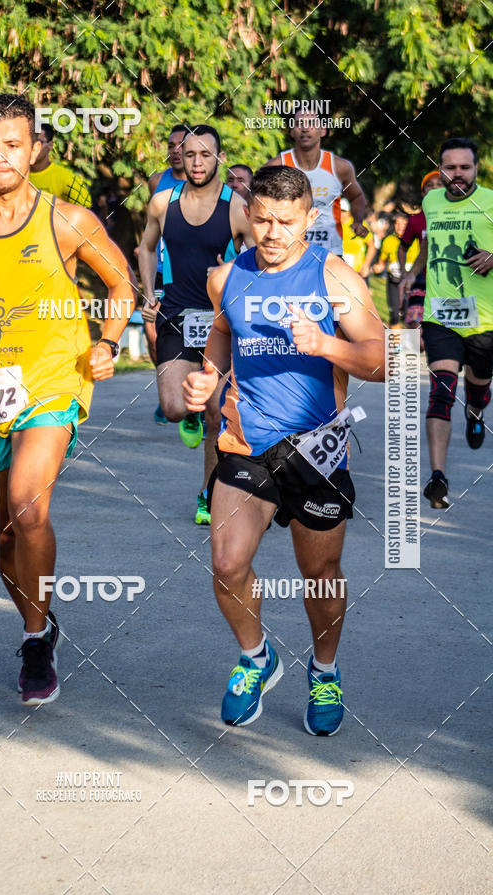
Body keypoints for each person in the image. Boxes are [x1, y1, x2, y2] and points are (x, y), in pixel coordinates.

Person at [0, 94, 135, 705]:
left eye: (12, 144)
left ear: (34, 148)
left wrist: (109, 341)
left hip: (52, 378)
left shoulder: (67, 219)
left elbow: (121, 283)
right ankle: (40, 621)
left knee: (27, 506)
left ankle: (35, 641)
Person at [183, 166, 385, 733]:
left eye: (286, 222)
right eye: (263, 220)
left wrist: (326, 346)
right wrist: (208, 377)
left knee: (320, 573)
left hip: (318, 449)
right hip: (247, 442)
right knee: (227, 563)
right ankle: (256, 658)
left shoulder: (333, 276)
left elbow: (382, 360)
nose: (273, 233)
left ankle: (325, 671)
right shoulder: (227, 278)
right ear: (248, 215)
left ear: (310, 218)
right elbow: (222, 333)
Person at [139, 124, 253, 525]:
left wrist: (233, 273)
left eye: (205, 154)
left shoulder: (237, 207)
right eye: (190, 155)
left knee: (216, 415)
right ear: (180, 158)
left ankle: (208, 494)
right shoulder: (162, 203)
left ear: (219, 158)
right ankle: (190, 410)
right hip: (175, 315)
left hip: (221, 323)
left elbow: (261, 260)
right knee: (173, 408)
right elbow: (146, 248)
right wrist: (149, 293)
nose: (197, 162)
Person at [406, 138, 493, 509]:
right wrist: (412, 274)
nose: (457, 174)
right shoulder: (431, 202)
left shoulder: (490, 201)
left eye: (464, 167)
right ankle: (437, 476)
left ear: (476, 169)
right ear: (440, 169)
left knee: (478, 383)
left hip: (485, 320)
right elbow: (429, 246)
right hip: (440, 315)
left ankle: (476, 410)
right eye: (450, 167)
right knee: (441, 391)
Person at [264, 109, 369, 256]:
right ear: (292, 131)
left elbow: (357, 196)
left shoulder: (339, 167)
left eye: (311, 123)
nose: (305, 129)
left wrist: (358, 221)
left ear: (323, 130)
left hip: (329, 253)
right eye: (299, 123)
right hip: (288, 253)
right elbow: (257, 201)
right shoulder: (276, 166)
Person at [145, 124, 188, 425]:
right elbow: (151, 229)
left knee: (197, 335)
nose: (175, 151)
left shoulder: (207, 183)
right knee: (153, 333)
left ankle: (194, 395)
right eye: (171, 145)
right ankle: (167, 388)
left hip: (190, 272)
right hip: (161, 270)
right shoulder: (157, 181)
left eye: (181, 145)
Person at [0, 123, 93, 207]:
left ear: (50, 145)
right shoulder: (3, 176)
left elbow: (86, 216)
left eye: (39, 142)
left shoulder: (68, 180)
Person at [398, 170, 442, 330]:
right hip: (421, 277)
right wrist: (405, 273)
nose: (434, 187)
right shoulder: (416, 220)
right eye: (430, 185)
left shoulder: (456, 215)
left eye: (439, 184)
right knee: (413, 324)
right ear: (423, 193)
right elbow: (402, 248)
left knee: (439, 328)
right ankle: (411, 346)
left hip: (446, 280)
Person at [373, 212, 418, 327]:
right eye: (397, 223)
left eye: (404, 223)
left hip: (411, 285)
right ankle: (394, 339)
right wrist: (377, 267)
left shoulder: (417, 241)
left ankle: (411, 339)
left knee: (411, 318)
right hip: (394, 282)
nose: (400, 226)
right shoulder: (388, 240)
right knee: (394, 316)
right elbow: (381, 262)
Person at [340, 198, 377, 280]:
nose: (341, 213)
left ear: (349, 212)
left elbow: (371, 246)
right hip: (337, 268)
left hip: (356, 271)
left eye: (343, 211)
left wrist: (366, 265)